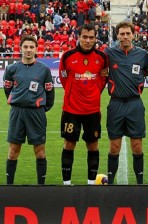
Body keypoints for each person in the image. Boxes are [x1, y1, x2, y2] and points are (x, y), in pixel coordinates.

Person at [59, 23, 108, 185]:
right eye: (84, 37)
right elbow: (64, 78)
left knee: (93, 145)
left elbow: (103, 79)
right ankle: (66, 184)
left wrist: (92, 93)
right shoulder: (67, 56)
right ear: (78, 37)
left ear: (95, 39)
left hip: (92, 110)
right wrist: (74, 94)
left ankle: (91, 183)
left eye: (91, 37)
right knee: (69, 143)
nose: (88, 40)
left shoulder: (101, 58)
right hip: (71, 110)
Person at [3, 35, 55, 185]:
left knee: (39, 151)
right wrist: (16, 100)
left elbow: (50, 92)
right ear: (20, 48)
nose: (28, 50)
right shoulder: (12, 69)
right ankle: (9, 186)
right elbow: (7, 89)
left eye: (31, 47)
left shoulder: (44, 70)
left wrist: (43, 108)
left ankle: (41, 187)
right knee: (13, 151)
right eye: (25, 47)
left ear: (36, 49)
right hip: (17, 113)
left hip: (36, 113)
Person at [104, 21, 148, 185]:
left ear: (133, 35)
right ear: (117, 35)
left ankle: (139, 183)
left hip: (135, 104)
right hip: (115, 103)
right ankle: (110, 183)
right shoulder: (109, 53)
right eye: (121, 34)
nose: (125, 37)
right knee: (114, 146)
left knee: (137, 145)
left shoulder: (142, 54)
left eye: (127, 33)